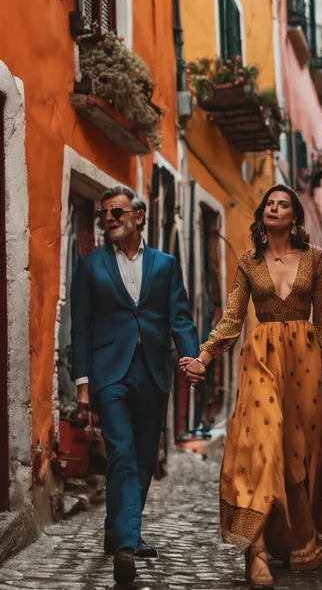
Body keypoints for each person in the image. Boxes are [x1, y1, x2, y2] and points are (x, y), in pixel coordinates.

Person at [181, 185, 322, 590]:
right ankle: (257, 554)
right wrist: (205, 356)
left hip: (306, 364)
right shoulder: (249, 262)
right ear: (263, 213)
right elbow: (233, 316)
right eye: (270, 202)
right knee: (260, 446)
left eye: (283, 204)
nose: (274, 207)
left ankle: (302, 540)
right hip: (263, 360)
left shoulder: (315, 258)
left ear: (294, 216)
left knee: (297, 454)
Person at [71, 186, 199, 587]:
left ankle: (118, 529)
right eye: (104, 213)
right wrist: (82, 381)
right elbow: (80, 326)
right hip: (109, 373)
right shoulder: (90, 266)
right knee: (122, 453)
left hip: (153, 371)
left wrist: (191, 358)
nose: (109, 218)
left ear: (138, 217)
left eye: (116, 212)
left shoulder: (165, 264)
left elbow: (179, 316)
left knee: (144, 458)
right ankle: (126, 546)